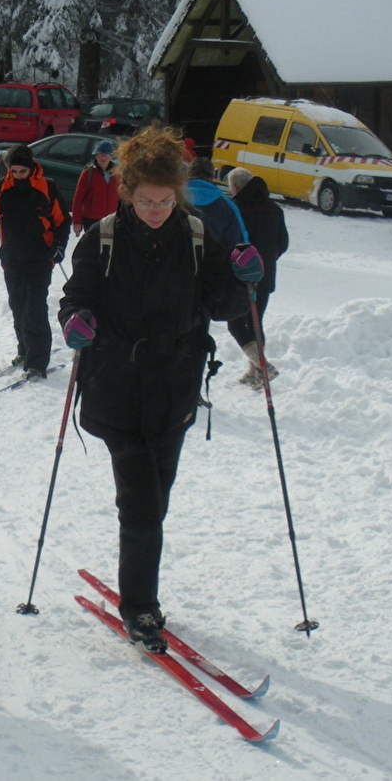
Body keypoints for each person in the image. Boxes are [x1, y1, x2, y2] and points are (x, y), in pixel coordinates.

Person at [58, 125, 258, 652]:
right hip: (116, 385)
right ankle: (141, 607)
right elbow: (73, 297)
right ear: (126, 192)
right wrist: (76, 321)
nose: (154, 210)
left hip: (174, 388)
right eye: (144, 200)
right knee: (143, 502)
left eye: (164, 200)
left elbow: (220, 305)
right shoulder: (101, 237)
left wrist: (242, 280)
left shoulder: (195, 233)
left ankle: (136, 575)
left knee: (156, 498)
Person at [0, 144, 67, 379]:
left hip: (40, 257)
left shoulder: (46, 187)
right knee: (18, 305)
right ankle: (25, 349)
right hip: (12, 256)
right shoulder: (3, 187)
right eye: (15, 171)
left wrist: (59, 246)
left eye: (23, 171)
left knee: (35, 309)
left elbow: (62, 220)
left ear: (31, 167)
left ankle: (37, 362)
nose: (18, 175)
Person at [225, 168, 288, 389]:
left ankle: (262, 366)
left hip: (240, 276)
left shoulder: (235, 209)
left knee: (235, 323)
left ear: (235, 187)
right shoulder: (275, 209)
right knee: (256, 321)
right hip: (266, 275)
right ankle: (255, 372)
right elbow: (283, 243)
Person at [184, 157, 247, 249]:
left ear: (188, 174)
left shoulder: (171, 200)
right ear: (212, 177)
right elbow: (240, 243)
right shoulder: (228, 207)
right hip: (215, 261)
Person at [71, 139, 119, 235]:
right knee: (93, 247)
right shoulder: (88, 173)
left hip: (111, 219)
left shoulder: (117, 174)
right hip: (92, 219)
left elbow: (122, 197)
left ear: (111, 157)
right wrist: (77, 222)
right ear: (96, 156)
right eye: (101, 154)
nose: (103, 157)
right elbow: (78, 199)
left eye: (107, 154)